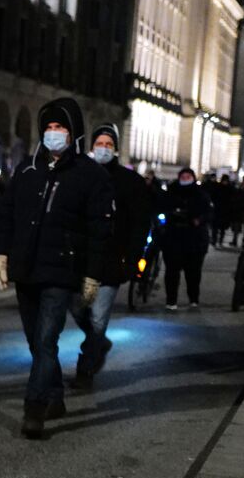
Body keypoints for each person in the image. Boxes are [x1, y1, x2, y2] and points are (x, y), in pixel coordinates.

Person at [0, 97, 114, 439]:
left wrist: (92, 273)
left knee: (46, 340)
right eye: (49, 127)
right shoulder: (28, 170)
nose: (53, 133)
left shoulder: (90, 175)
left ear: (73, 133)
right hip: (27, 269)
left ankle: (35, 408)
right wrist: (1, 254)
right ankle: (55, 393)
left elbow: (98, 229)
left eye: (60, 127)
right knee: (36, 342)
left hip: (61, 271)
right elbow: (6, 214)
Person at [71, 123, 150, 388]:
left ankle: (86, 368)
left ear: (115, 149)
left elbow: (140, 223)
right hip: (80, 259)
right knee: (76, 307)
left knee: (98, 317)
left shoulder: (130, 182)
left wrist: (133, 258)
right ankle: (99, 343)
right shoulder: (81, 175)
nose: (103, 149)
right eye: (99, 144)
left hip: (111, 259)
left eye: (108, 144)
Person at [158, 167, 214, 311]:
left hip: (194, 239)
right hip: (173, 237)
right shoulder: (171, 192)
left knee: (193, 272)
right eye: (183, 176)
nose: (185, 178)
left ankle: (193, 298)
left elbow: (209, 213)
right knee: (171, 271)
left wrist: (199, 220)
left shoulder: (201, 194)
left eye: (188, 176)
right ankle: (171, 300)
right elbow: (162, 207)